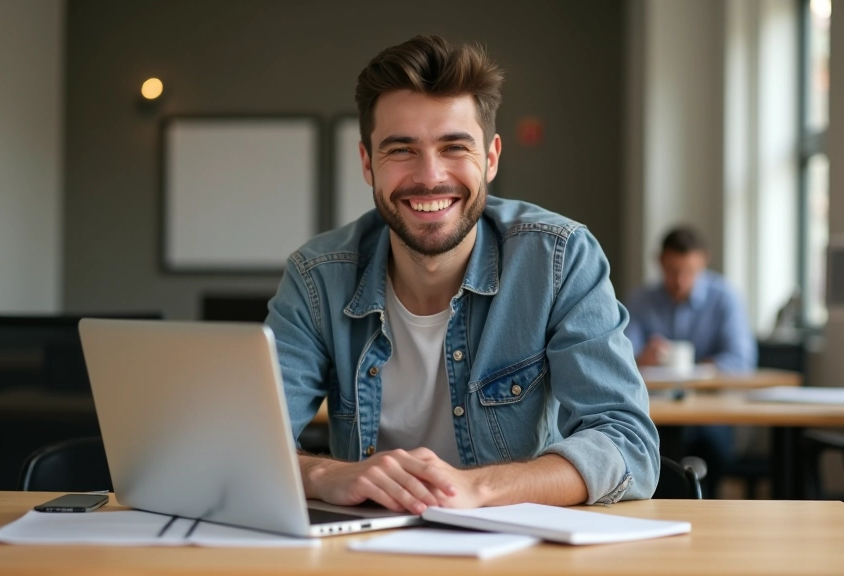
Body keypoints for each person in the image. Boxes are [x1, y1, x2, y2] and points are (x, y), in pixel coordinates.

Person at [264, 35, 658, 515]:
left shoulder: (558, 258)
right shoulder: (317, 277)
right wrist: (329, 474)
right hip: (364, 549)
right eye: (401, 150)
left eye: (454, 147)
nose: (430, 176)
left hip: (519, 549)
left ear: (490, 158)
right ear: (368, 163)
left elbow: (627, 443)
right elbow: (245, 445)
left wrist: (477, 490)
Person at [624, 226, 756, 496]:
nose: (681, 281)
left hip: (712, 413)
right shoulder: (640, 300)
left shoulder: (725, 297)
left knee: (713, 447)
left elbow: (741, 359)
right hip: (655, 411)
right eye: (673, 272)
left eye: (690, 272)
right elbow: (621, 358)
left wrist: (695, 370)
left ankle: (704, 507)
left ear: (704, 262)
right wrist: (641, 358)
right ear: (659, 262)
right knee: (646, 446)